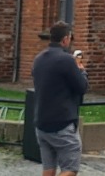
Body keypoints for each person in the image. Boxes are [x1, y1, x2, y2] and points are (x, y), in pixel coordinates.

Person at [32, 21, 89, 176]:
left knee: (48, 168)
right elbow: (82, 87)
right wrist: (81, 70)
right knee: (70, 169)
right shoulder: (66, 60)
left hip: (41, 122)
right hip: (62, 123)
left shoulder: (39, 59)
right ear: (65, 39)